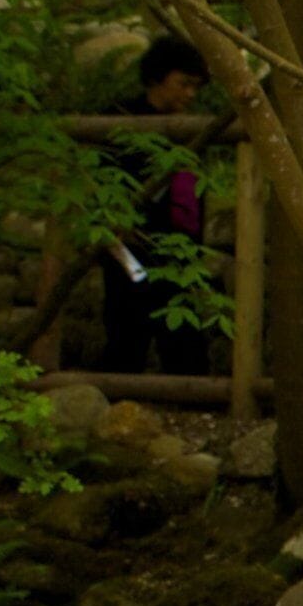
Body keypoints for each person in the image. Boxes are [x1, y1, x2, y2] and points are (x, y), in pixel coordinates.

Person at [101, 34, 211, 376]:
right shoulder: (117, 120)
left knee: (182, 322)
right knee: (126, 316)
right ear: (156, 79)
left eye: (195, 86)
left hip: (178, 245)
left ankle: (188, 392)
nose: (189, 94)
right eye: (183, 84)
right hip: (127, 242)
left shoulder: (192, 129)